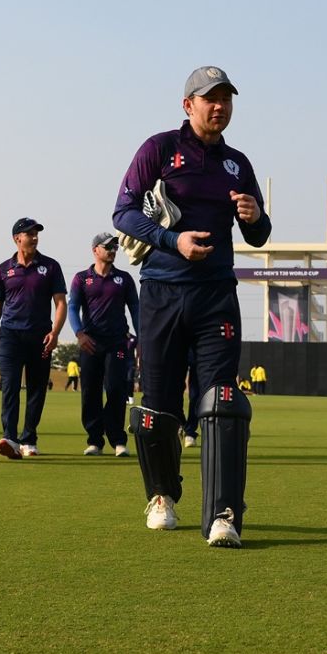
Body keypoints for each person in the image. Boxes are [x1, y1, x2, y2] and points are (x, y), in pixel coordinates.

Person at [113, 65, 271, 548]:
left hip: (217, 295)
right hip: (161, 292)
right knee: (157, 404)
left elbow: (259, 235)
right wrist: (170, 240)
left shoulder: (238, 163)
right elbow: (122, 213)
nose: (219, 106)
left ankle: (224, 513)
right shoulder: (158, 149)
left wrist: (255, 216)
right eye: (210, 98)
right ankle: (161, 496)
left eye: (226, 99)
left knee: (222, 399)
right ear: (189, 105)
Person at [0, 217, 66, 459]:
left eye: (36, 233)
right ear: (17, 238)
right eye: (29, 233)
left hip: (41, 335)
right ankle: (10, 437)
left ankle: (29, 438)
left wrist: (56, 332)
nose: (35, 237)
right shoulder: (4, 269)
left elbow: (60, 303)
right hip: (9, 335)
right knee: (9, 387)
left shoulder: (51, 267)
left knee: (37, 389)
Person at [67, 231, 140, 457]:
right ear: (95, 250)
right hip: (90, 342)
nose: (112, 250)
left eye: (115, 247)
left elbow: (136, 309)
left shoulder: (124, 279)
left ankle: (118, 439)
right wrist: (79, 333)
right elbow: (72, 308)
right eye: (107, 247)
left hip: (117, 342)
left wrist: (143, 339)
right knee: (90, 391)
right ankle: (94, 440)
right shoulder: (81, 278)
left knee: (117, 388)